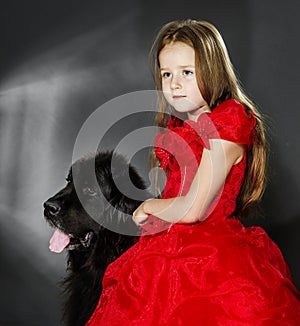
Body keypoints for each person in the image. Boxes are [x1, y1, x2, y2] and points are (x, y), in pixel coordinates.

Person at [86, 19, 300, 325]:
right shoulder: (181, 128)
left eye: (186, 72)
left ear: (212, 69)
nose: (174, 84)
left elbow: (193, 209)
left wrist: (148, 206)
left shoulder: (228, 122)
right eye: (166, 74)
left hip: (210, 259)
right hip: (164, 254)